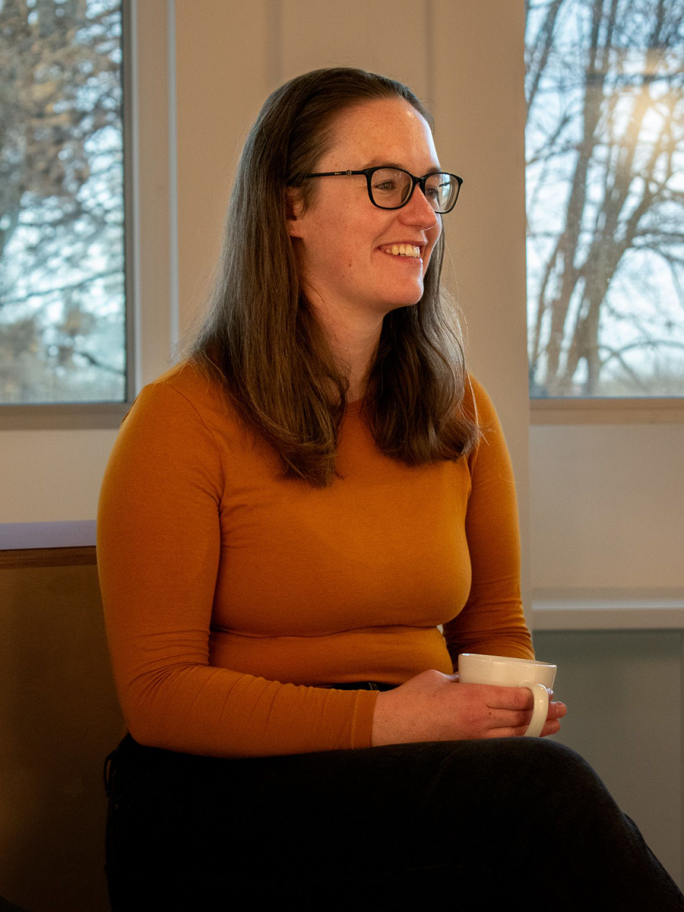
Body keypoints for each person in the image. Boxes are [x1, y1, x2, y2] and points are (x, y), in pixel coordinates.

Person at [97, 67, 683, 909]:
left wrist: (500, 704)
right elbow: (158, 696)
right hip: (219, 800)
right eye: (386, 184)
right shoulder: (180, 421)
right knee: (541, 799)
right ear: (289, 207)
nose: (422, 215)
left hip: (417, 773)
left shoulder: (460, 412)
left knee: (530, 789)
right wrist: (390, 722)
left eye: (431, 187)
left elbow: (498, 629)